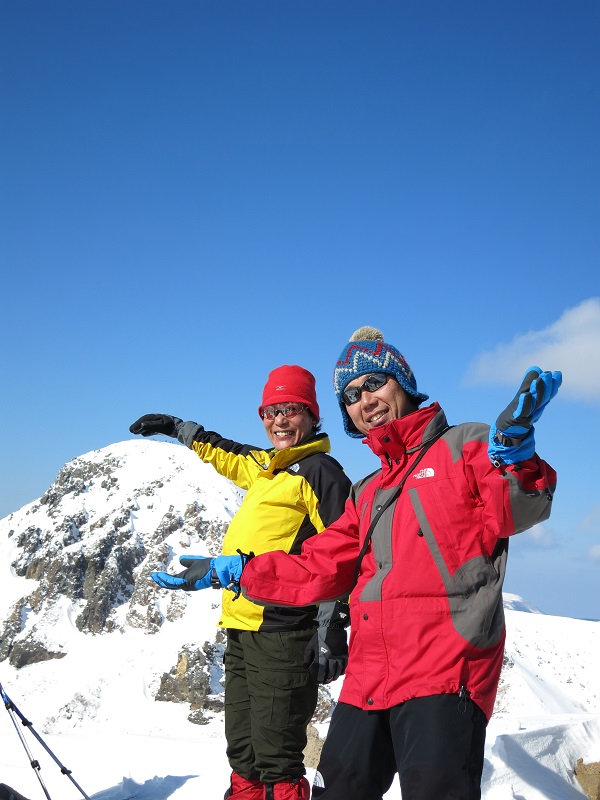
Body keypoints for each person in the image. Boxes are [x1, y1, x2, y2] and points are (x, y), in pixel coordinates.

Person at [199, 326, 561, 800]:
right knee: (337, 790)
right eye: (350, 394)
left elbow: (517, 508)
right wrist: (241, 571)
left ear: (403, 383)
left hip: (444, 671)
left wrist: (517, 459)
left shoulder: (465, 446)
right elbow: (321, 563)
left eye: (374, 383)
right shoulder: (367, 490)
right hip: (369, 676)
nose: (364, 399)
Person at [129, 364, 352, 800]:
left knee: (276, 759)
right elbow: (225, 450)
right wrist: (178, 428)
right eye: (270, 411)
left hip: (284, 633)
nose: (279, 420)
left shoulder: (319, 471)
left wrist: (332, 623)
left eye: (291, 409)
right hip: (243, 627)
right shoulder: (268, 467)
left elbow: (344, 552)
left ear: (312, 415)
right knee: (244, 755)